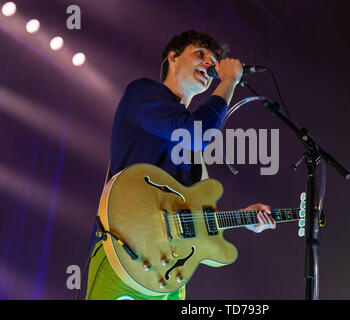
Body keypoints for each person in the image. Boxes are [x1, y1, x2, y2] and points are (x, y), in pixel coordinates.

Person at [84, 30, 276, 300]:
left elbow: (189, 217)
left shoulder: (193, 142)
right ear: (172, 58)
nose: (209, 63)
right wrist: (229, 81)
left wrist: (244, 218)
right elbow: (196, 132)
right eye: (200, 54)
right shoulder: (143, 93)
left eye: (212, 60)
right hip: (124, 254)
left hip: (170, 273)